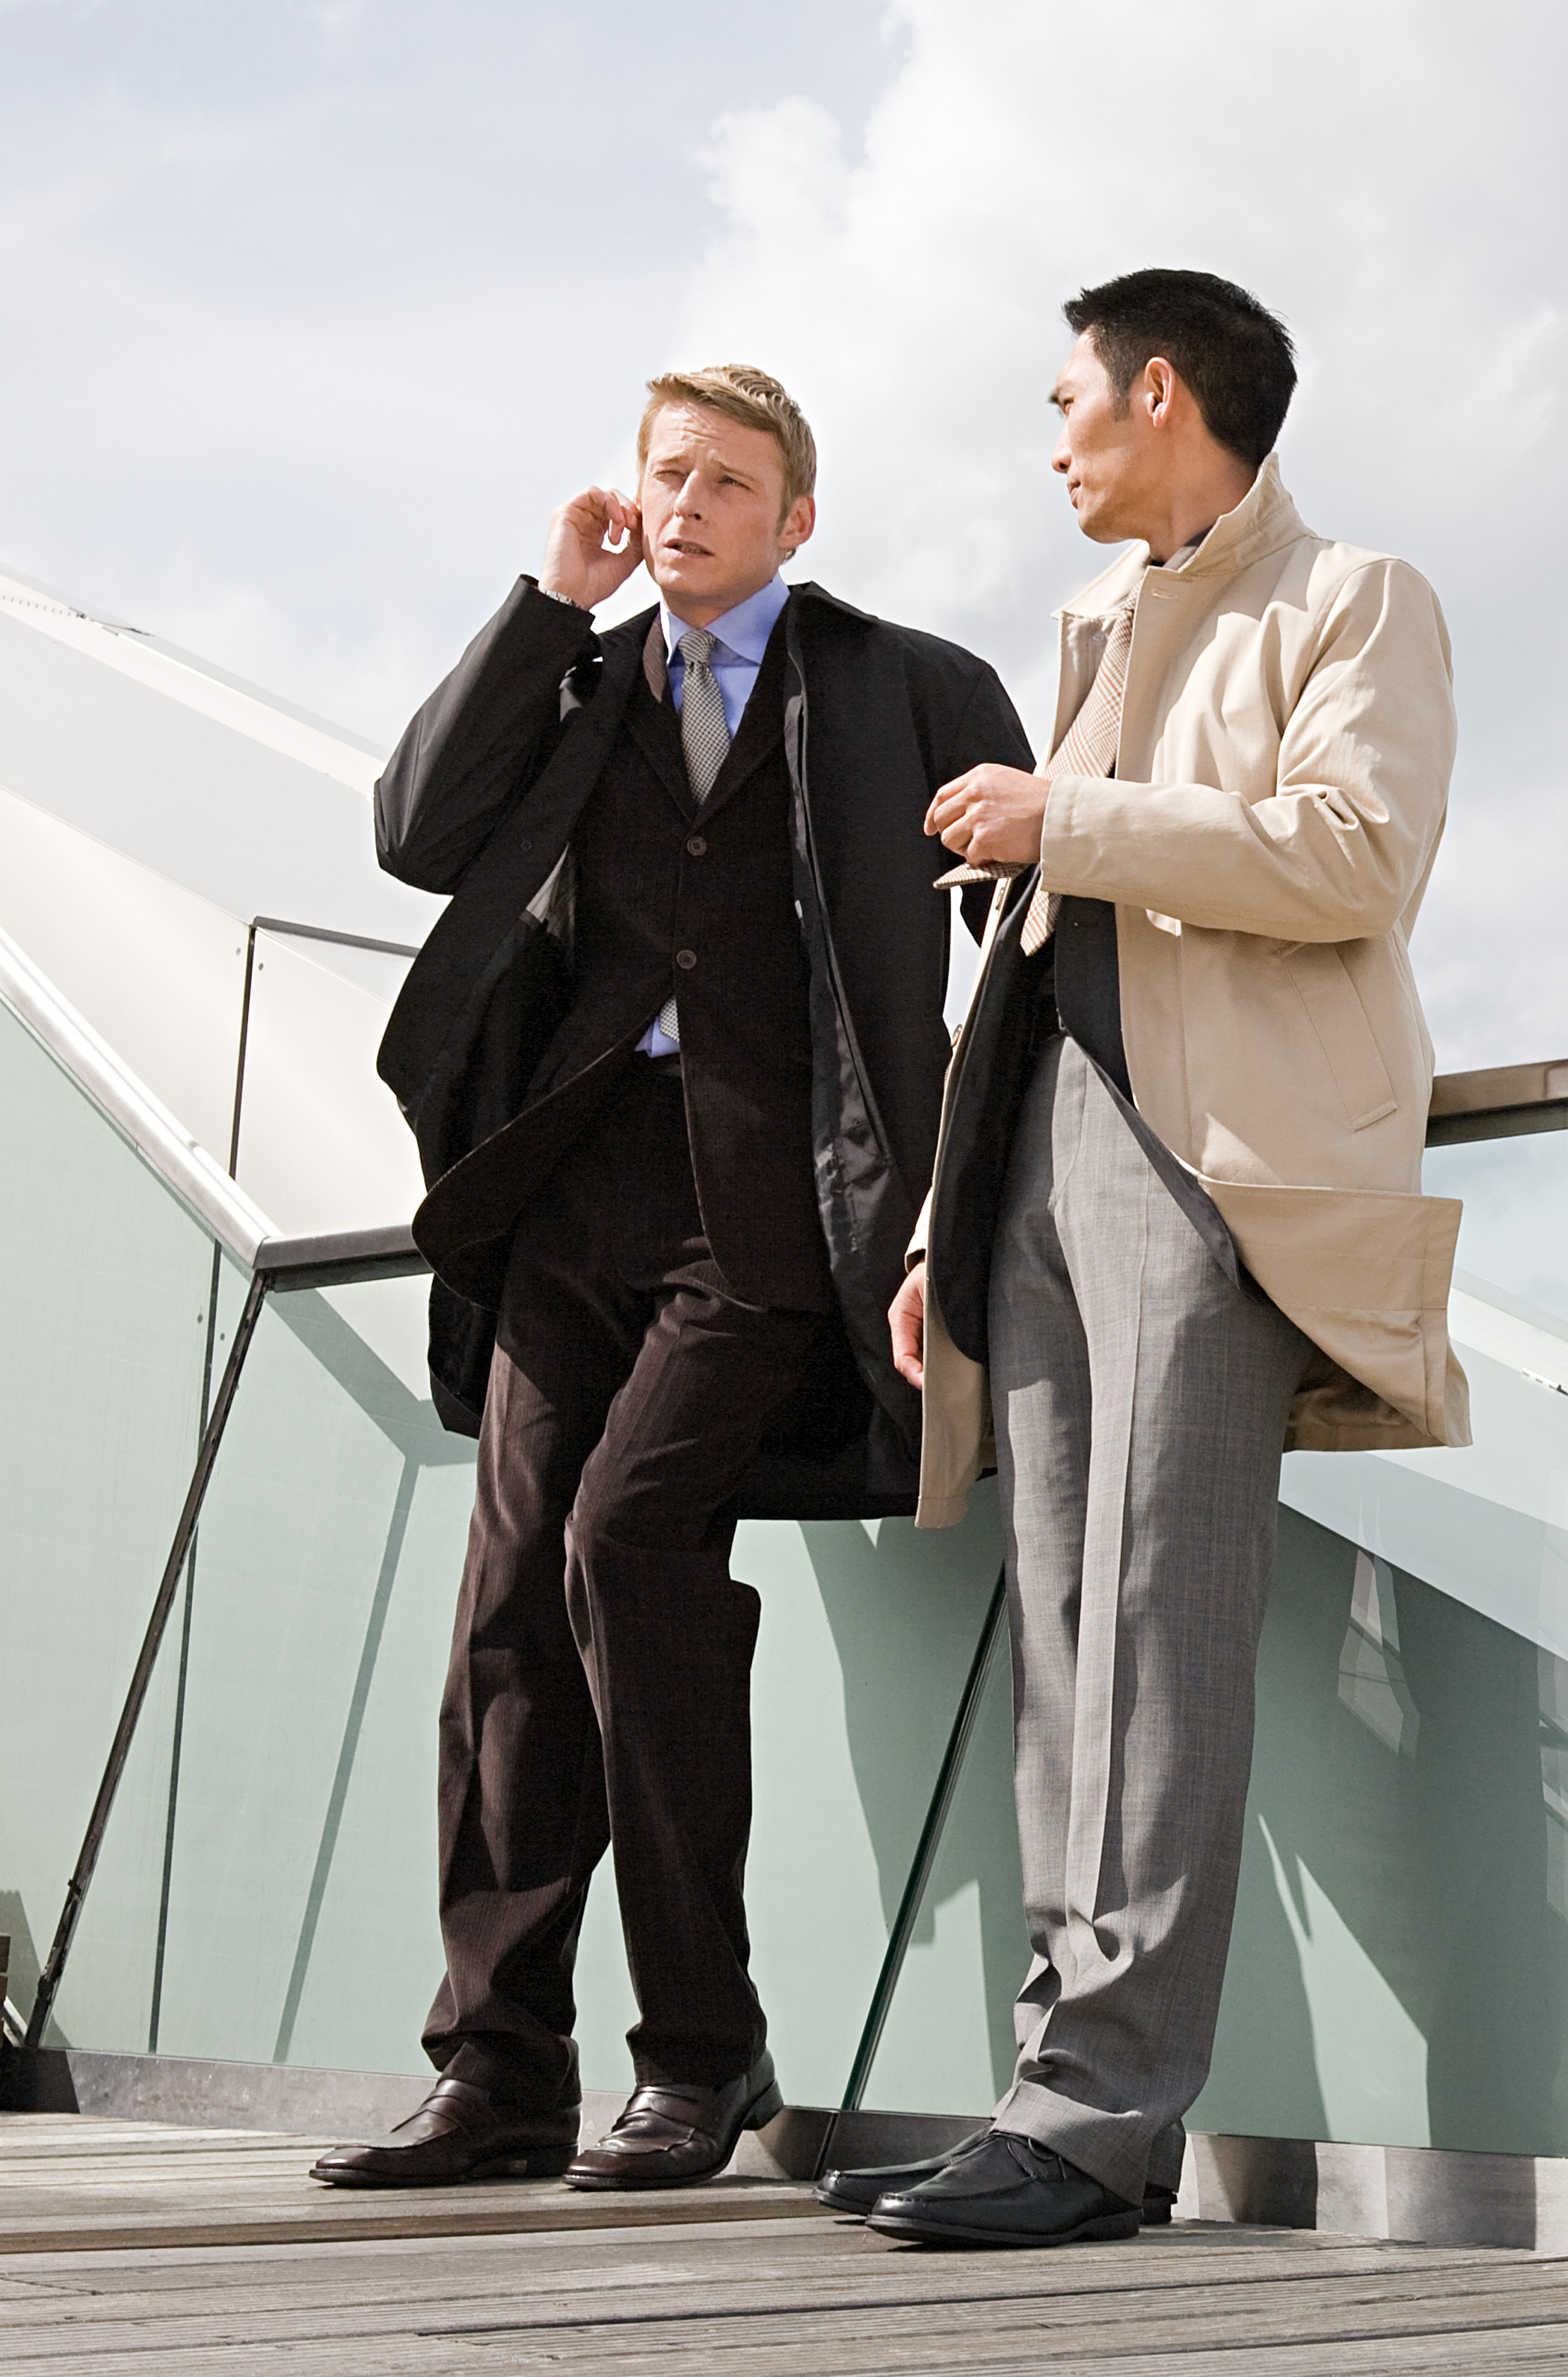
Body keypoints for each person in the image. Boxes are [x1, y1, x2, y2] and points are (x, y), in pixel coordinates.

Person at [317, 365, 1029, 2192]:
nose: (690, 503)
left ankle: (701, 2054)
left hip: (781, 1208)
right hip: (569, 1200)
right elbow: (411, 831)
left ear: (798, 520)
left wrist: (960, 1206)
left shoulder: (906, 688)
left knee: (625, 1549)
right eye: (666, 476)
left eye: (730, 481)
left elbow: (1024, 952)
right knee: (508, 1620)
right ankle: (497, 2072)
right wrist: (550, 596)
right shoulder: (576, 679)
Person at [838, 270, 1468, 2247]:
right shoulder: (1107, 621)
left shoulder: (1351, 595)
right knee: (1057, 1646)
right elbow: (1044, 960)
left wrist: (1067, 812)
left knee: (1159, 1633)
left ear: (1163, 393)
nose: (1050, 445)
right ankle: (1053, 2090)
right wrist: (954, 1211)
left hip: (1209, 1179)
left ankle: (1105, 2111)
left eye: (1067, 405)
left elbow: (1357, 854)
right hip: (1043, 1165)